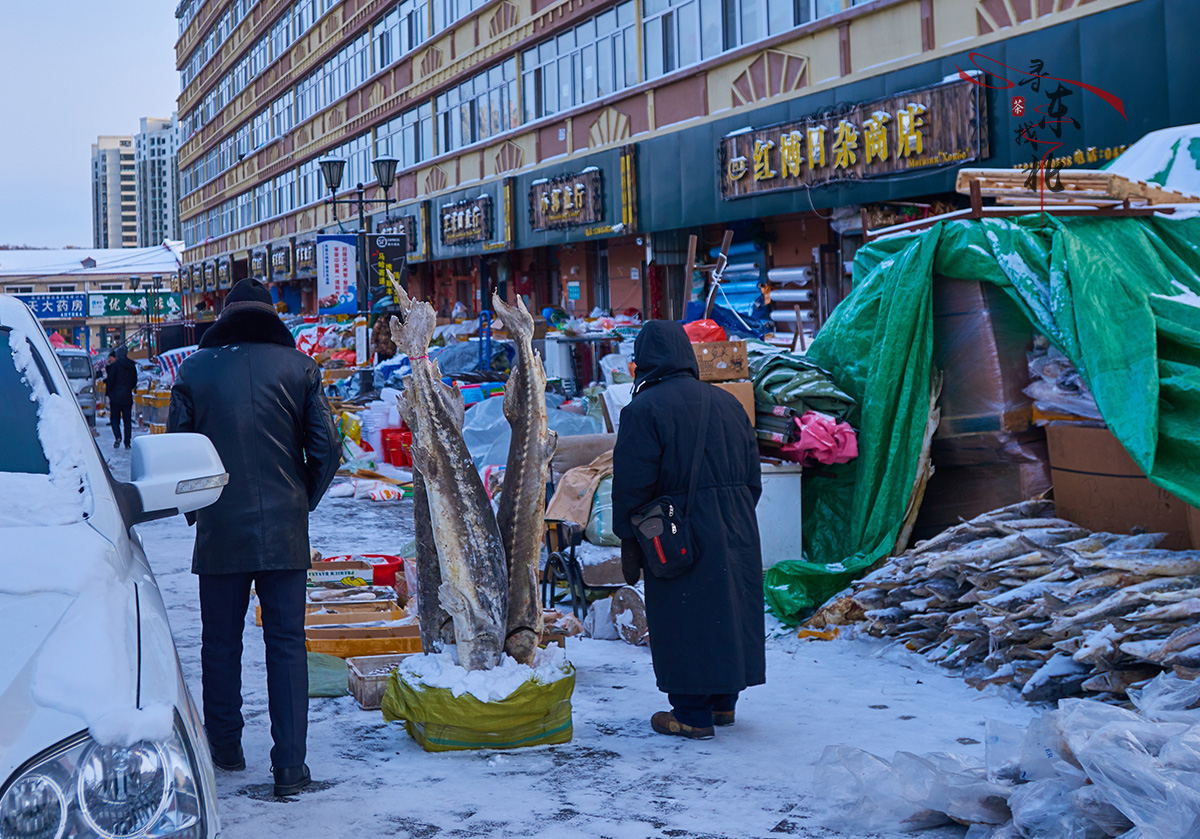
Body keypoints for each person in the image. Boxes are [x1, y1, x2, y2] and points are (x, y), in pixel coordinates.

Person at [168, 279, 339, 797]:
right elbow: (327, 450)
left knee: (219, 643)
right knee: (287, 644)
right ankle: (290, 768)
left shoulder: (194, 371)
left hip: (220, 530)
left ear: (223, 317)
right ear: (271, 316)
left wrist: (197, 510)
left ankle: (226, 748)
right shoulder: (300, 368)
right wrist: (298, 500)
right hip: (284, 531)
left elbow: (178, 455)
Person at [612, 320, 765, 740]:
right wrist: (734, 515)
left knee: (684, 613)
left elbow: (632, 483)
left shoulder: (643, 409)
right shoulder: (730, 403)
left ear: (643, 362)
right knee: (729, 606)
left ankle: (691, 714)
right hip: (737, 524)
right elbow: (753, 475)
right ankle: (723, 702)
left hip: (678, 529)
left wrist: (629, 537)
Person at [104, 347, 137, 449]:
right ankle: (127, 442)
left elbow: (111, 380)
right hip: (127, 396)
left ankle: (118, 436)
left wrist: (109, 392)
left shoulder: (115, 366)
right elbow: (134, 381)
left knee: (114, 418)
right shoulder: (132, 366)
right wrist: (128, 389)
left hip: (115, 397)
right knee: (127, 420)